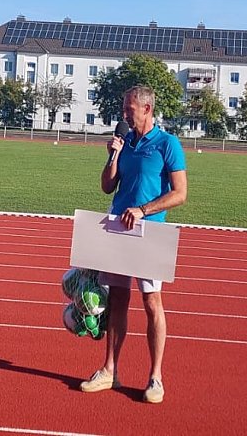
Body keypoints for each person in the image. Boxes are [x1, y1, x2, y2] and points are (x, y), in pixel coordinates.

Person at [80, 85, 188, 404]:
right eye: (124, 109)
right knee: (117, 301)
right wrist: (112, 154)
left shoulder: (168, 144)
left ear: (147, 109)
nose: (124, 115)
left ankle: (155, 377)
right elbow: (106, 186)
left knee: (152, 303)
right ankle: (109, 370)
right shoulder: (124, 142)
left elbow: (180, 193)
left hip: (150, 233)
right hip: (117, 229)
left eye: (130, 109)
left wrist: (143, 210)